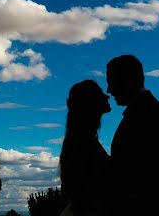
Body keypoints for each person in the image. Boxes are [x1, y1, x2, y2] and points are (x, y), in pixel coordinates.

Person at [106, 54, 159, 216]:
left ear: (129, 78)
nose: (109, 90)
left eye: (112, 82)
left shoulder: (146, 112)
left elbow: (143, 173)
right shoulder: (144, 109)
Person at [59, 80, 111, 216]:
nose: (107, 96)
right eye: (100, 94)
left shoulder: (79, 141)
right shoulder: (85, 144)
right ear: (90, 103)